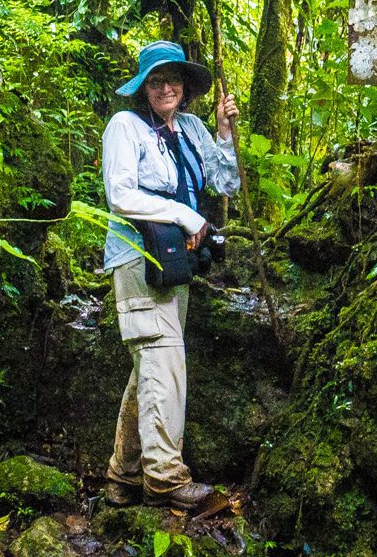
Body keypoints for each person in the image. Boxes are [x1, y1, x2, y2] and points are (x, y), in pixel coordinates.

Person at [101, 40, 240, 509]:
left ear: (185, 86)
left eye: (173, 80)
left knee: (153, 363)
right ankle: (165, 478)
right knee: (164, 360)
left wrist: (223, 133)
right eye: (157, 80)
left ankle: (124, 475)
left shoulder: (194, 129)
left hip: (176, 264)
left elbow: (224, 183)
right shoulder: (126, 126)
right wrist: (183, 215)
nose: (166, 88)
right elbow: (120, 194)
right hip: (139, 259)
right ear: (144, 86)